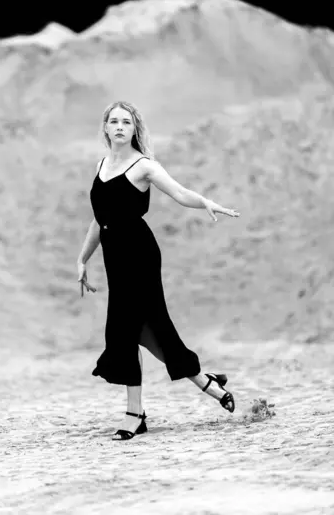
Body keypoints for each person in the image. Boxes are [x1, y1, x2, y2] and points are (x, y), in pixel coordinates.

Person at [77, 101, 240, 441]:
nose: (120, 126)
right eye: (113, 121)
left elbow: (180, 192)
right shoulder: (101, 165)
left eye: (126, 122)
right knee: (145, 329)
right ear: (105, 128)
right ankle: (207, 383)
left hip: (139, 254)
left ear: (134, 129)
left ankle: (135, 415)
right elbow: (99, 219)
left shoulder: (143, 167)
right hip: (114, 257)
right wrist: (82, 259)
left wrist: (206, 202)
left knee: (125, 329)